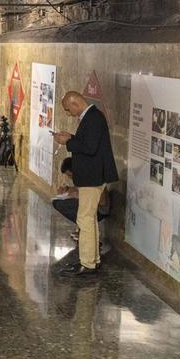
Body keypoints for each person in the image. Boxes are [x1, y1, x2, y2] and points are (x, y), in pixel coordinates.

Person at [53, 92, 118, 276]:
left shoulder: (94, 118)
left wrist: (69, 141)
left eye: (68, 109)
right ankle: (93, 260)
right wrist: (71, 138)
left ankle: (88, 264)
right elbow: (88, 142)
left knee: (84, 219)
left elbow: (90, 148)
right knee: (88, 218)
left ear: (75, 103)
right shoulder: (91, 117)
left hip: (93, 176)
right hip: (92, 175)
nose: (68, 113)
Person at [53, 157, 110, 256]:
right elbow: (81, 190)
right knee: (58, 202)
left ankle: (89, 241)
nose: (70, 178)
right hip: (90, 207)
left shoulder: (92, 177)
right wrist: (68, 189)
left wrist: (81, 197)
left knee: (68, 206)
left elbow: (102, 202)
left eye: (70, 175)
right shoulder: (83, 177)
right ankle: (82, 232)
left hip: (99, 210)